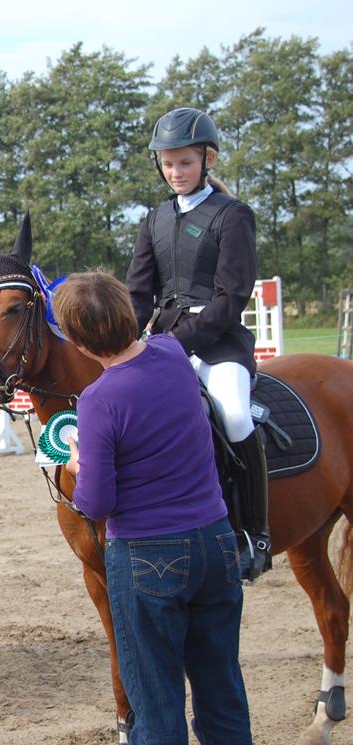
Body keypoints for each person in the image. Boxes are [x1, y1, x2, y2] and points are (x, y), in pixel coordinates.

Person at [55, 272, 255, 745]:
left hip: (148, 555)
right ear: (128, 312)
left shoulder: (99, 400)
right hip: (215, 539)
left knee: (157, 707)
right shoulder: (169, 353)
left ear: (78, 343)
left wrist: (79, 463)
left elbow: (98, 502)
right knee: (222, 694)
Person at [125, 107, 270, 582]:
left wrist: (177, 342)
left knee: (233, 413)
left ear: (207, 159)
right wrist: (124, 343)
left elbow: (232, 298)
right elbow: (138, 294)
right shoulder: (155, 220)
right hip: (166, 345)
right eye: (168, 164)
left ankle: (254, 533)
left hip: (220, 344)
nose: (175, 172)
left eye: (184, 163)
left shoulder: (232, 216)